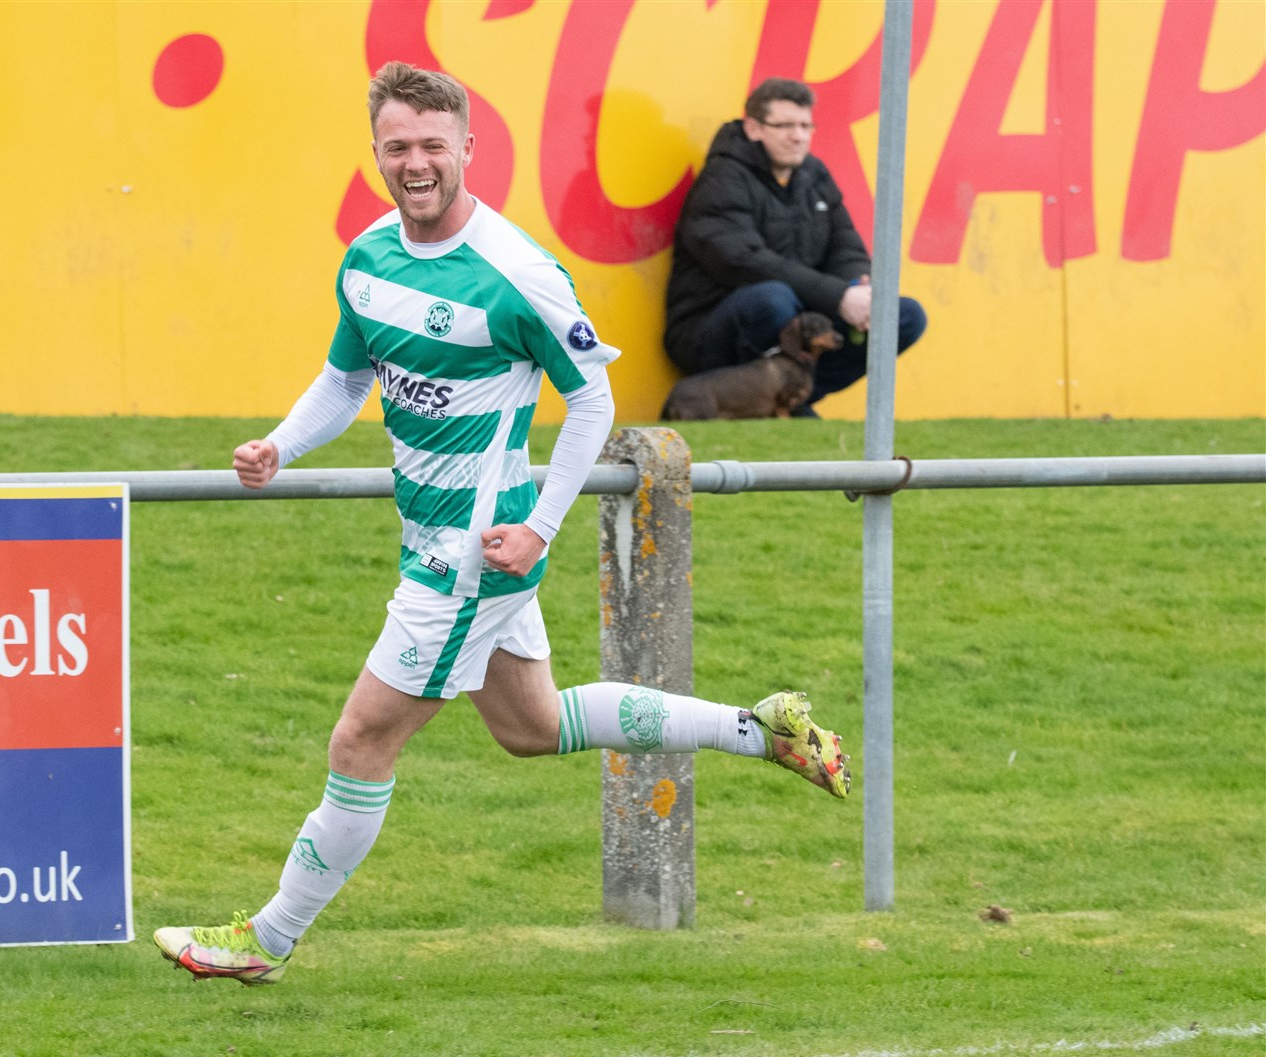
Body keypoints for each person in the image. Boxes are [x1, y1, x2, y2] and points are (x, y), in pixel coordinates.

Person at [152, 62, 852, 986]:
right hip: (442, 544)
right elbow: (348, 380)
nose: (415, 163)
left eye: (433, 146)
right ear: (376, 152)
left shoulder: (517, 274)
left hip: (470, 562)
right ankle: (761, 729)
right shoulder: (367, 258)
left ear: (467, 151)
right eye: (397, 147)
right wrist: (281, 446)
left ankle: (267, 940)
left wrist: (541, 530)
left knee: (360, 742)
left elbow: (592, 403)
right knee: (530, 727)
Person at [663, 77, 926, 417]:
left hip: (800, 321)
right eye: (785, 125)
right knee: (772, 299)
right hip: (708, 332)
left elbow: (846, 248)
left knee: (902, 316)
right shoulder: (722, 178)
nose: (798, 136)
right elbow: (745, 262)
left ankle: (792, 399)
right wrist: (837, 297)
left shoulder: (814, 175)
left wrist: (856, 288)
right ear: (754, 128)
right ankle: (761, 402)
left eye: (805, 125)